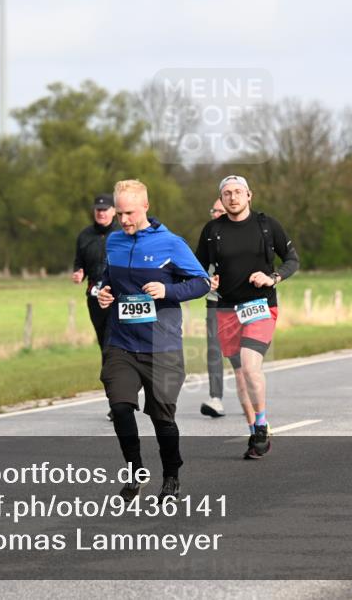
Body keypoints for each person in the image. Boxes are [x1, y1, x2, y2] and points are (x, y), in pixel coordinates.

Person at [97, 180, 210, 502]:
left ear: (145, 207)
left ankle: (171, 476)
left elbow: (201, 282)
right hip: (121, 342)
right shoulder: (114, 241)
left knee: (162, 419)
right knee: (120, 407)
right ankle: (135, 472)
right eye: (119, 214)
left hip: (162, 347)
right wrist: (103, 293)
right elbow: (108, 279)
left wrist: (168, 291)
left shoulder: (170, 243)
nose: (124, 220)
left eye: (129, 213)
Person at [195, 175, 300, 459]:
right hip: (226, 310)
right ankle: (255, 432)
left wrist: (273, 277)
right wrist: (207, 280)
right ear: (222, 198)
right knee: (241, 377)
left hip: (261, 306)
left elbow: (292, 259)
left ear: (249, 195)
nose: (232, 197)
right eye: (227, 193)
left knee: (251, 367)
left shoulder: (267, 225)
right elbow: (197, 267)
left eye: (238, 192)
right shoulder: (212, 230)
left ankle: (262, 423)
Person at [72, 193, 119, 421]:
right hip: (94, 297)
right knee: (105, 347)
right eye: (98, 209)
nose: (101, 213)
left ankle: (122, 396)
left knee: (114, 346)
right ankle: (115, 401)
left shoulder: (122, 233)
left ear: (113, 211)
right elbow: (78, 263)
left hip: (118, 298)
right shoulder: (85, 236)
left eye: (105, 209)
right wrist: (79, 272)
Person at [200, 199, 227, 417]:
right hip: (214, 301)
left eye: (220, 210)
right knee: (214, 350)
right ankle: (215, 398)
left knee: (240, 355)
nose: (216, 214)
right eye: (214, 210)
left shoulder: (245, 234)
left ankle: (251, 390)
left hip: (241, 304)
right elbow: (197, 265)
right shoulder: (208, 235)